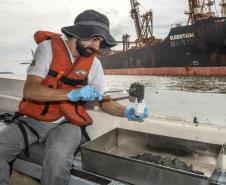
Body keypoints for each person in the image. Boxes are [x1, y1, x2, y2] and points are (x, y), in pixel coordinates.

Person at [0, 9, 148, 185]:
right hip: (34, 120)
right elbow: (30, 90)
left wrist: (127, 112)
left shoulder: (94, 64)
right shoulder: (47, 49)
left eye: (99, 41)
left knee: (58, 160)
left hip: (68, 123)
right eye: (94, 39)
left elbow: (104, 100)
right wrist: (72, 93)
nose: (96, 46)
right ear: (77, 33)